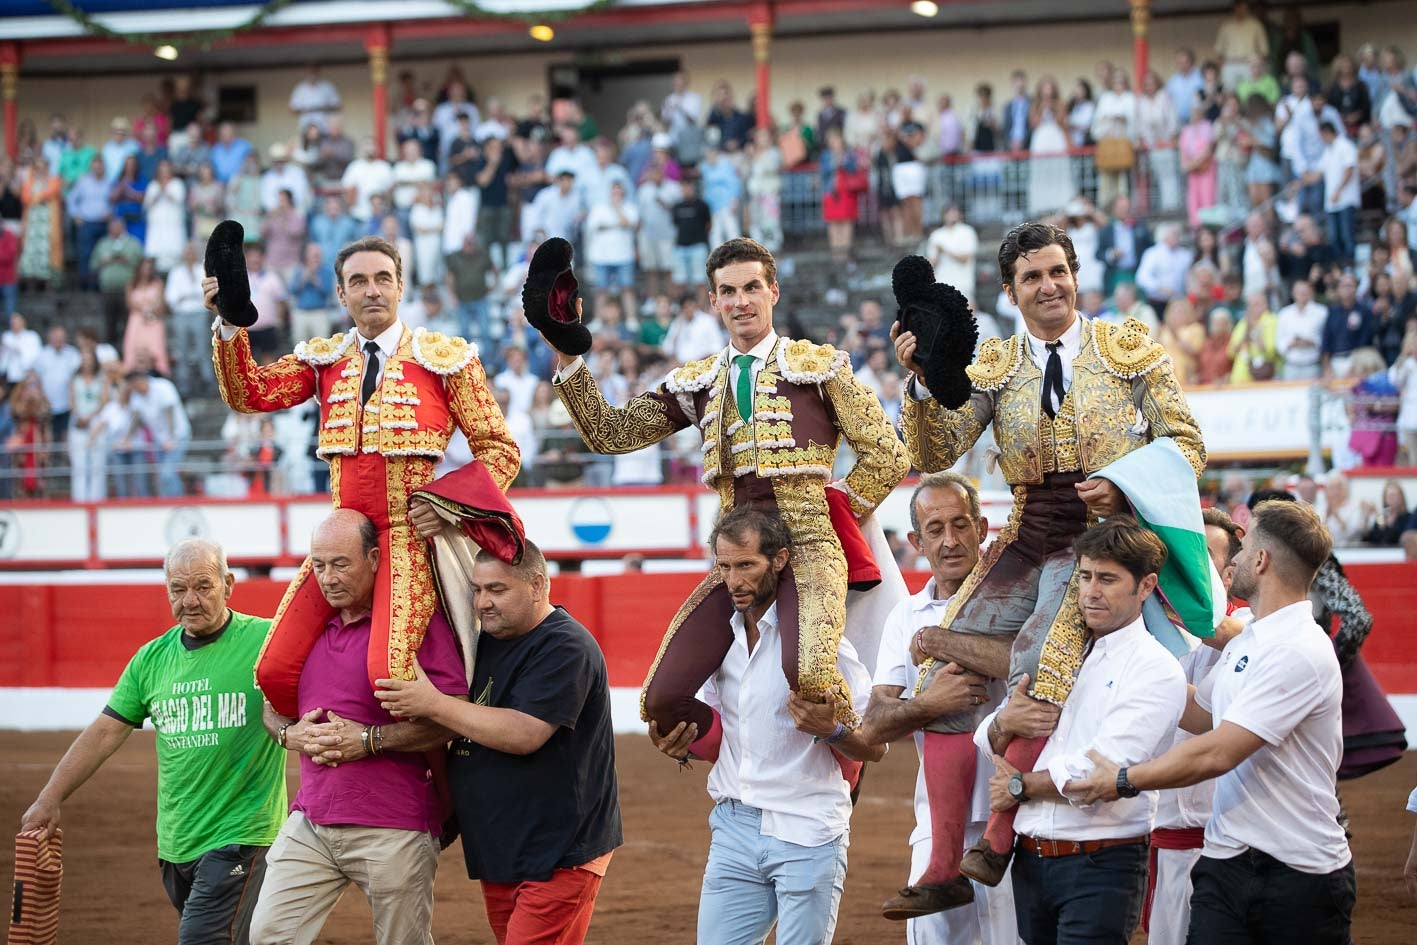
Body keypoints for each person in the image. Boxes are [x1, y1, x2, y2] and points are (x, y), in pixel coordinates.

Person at [893, 221, 1204, 888]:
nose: (1048, 286)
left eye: (1056, 271)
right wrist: (920, 383)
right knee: (941, 666)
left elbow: (1185, 439)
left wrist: (1123, 479)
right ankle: (941, 863)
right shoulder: (994, 368)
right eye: (1031, 277)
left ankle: (999, 835)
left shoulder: (1128, 350)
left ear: (1074, 275)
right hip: (1027, 529)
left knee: (1044, 660)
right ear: (1010, 291)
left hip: (1101, 538)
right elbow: (930, 454)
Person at [547, 237, 907, 738]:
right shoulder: (698, 382)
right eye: (728, 291)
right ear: (713, 301)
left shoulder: (820, 367)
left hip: (808, 546)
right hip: (736, 558)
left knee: (813, 677)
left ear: (773, 291)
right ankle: (737, 763)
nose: (741, 301)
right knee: (663, 699)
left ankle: (856, 758)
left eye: (752, 287)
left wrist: (838, 506)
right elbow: (612, 432)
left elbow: (888, 453)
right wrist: (568, 357)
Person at [209, 235, 521, 719]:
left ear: (400, 287)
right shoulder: (325, 361)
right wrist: (230, 322)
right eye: (359, 281)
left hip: (407, 536)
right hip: (341, 541)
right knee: (272, 670)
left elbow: (500, 451)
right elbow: (249, 394)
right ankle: (326, 740)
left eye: (382, 279)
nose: (371, 290)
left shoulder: (445, 360)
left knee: (389, 672)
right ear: (341, 294)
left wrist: (448, 505)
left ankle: (429, 777)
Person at [1066, 500, 1356, 945]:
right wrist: (1115, 666)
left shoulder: (1297, 649)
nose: (1235, 559)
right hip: (1228, 860)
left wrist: (1124, 779)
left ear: (1261, 562)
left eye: (1245, 547)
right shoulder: (1254, 638)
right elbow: (1202, 713)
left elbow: (1219, 751)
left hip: (1298, 872)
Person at [19, 538, 287, 945]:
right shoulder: (150, 660)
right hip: (177, 843)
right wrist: (48, 798)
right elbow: (106, 731)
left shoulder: (268, 642)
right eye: (178, 590)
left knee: (202, 938)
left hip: (243, 837)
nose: (190, 601)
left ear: (228, 584)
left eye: (203, 586)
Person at [648, 507, 884, 945]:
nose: (734, 581)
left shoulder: (824, 649)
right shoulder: (723, 643)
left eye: (746, 565)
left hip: (808, 830)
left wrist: (832, 729)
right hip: (734, 827)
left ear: (779, 561)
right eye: (724, 567)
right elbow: (725, 737)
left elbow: (874, 747)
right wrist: (681, 745)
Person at [375, 540, 622, 945]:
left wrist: (432, 704)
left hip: (559, 851)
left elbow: (524, 734)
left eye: (497, 590)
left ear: (538, 584)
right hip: (501, 848)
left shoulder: (564, 644)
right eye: (476, 589)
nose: (482, 602)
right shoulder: (482, 641)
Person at [248, 510, 468, 945]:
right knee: (268, 937)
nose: (328, 578)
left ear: (373, 558)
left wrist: (368, 740)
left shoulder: (414, 625)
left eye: (340, 564)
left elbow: (453, 715)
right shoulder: (309, 629)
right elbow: (268, 703)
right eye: (319, 565)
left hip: (394, 826)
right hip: (311, 820)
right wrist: (288, 735)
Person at [975, 519, 1184, 945]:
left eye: (1107, 579)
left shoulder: (1157, 669)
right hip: (1030, 859)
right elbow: (987, 735)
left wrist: (1017, 785)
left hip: (1103, 863)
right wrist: (1003, 723)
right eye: (1085, 576)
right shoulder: (1059, 650)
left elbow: (1102, 772)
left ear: (1146, 586)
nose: (1090, 591)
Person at [861, 472, 1020, 941]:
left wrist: (937, 642)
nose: (950, 541)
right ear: (917, 541)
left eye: (960, 525)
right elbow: (874, 725)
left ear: (982, 527)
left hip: (1013, 822)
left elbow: (1027, 662)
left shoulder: (1016, 601)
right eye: (935, 530)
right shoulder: (903, 616)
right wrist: (930, 703)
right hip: (935, 826)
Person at [1143, 507, 1246, 945]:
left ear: (1229, 575)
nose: (1185, 567)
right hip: (1159, 840)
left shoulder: (1253, 630)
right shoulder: (1146, 630)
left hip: (1229, 845)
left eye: (1200, 557)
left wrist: (1185, 614)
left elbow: (1241, 639)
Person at [926, 205, 980, 305]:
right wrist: (938, 254)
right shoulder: (936, 235)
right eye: (949, 213)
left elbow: (966, 258)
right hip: (941, 283)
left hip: (963, 283)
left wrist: (945, 251)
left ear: (960, 215)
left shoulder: (967, 232)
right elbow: (931, 264)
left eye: (954, 212)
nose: (952, 215)